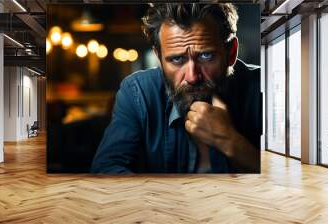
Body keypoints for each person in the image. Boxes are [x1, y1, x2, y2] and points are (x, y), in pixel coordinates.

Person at [91, 3, 261, 173]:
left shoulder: (264, 88)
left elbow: (283, 176)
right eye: (177, 59)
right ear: (159, 57)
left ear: (231, 53)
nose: (192, 77)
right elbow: (105, 170)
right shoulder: (139, 92)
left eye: (206, 55)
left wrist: (229, 141)